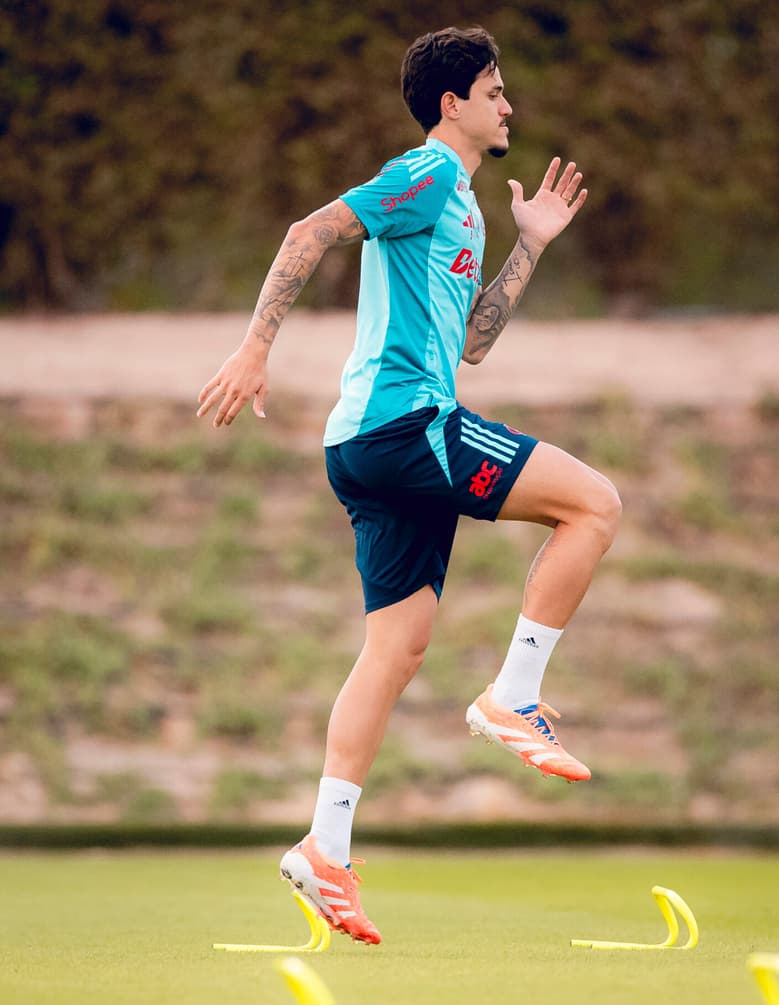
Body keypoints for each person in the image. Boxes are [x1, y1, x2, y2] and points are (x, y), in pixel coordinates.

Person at [197, 26, 621, 946]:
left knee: (396, 648)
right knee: (594, 503)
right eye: (495, 91)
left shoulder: (460, 205)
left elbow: (473, 341)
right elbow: (310, 230)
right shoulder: (425, 174)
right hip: (404, 428)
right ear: (451, 104)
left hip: (369, 444)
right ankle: (513, 696)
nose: (509, 105)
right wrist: (255, 347)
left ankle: (325, 848)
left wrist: (531, 245)